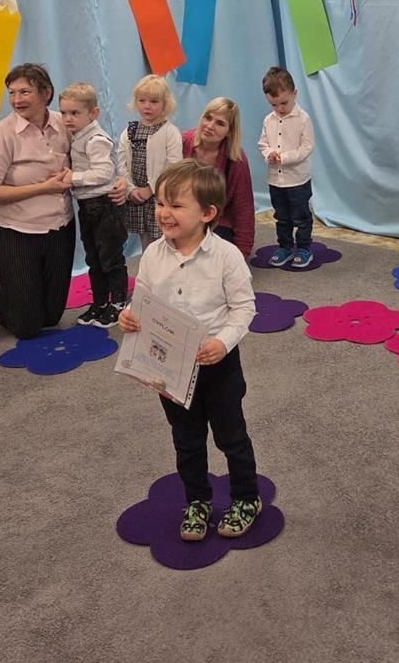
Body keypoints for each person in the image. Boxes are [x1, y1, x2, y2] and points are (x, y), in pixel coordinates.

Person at [118, 160, 261, 541]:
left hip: (218, 366)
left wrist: (222, 342)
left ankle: (247, 497)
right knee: (186, 439)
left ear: (208, 213)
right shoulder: (152, 254)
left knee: (231, 436)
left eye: (177, 205)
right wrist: (129, 316)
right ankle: (198, 500)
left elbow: (244, 308)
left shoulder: (226, 256)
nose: (164, 212)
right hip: (171, 368)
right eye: (161, 203)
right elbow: (143, 300)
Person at [0, 63, 75, 339]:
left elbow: (90, 157)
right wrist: (43, 188)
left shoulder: (64, 124)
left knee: (51, 318)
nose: (17, 100)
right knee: (27, 327)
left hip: (60, 226)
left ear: (46, 93)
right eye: (12, 93)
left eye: (25, 92)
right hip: (16, 230)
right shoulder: (2, 134)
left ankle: (6, 290)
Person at [58, 83, 128, 328]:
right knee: (94, 258)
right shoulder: (77, 135)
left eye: (74, 113)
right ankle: (99, 302)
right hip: (87, 206)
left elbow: (103, 173)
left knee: (110, 257)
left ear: (93, 113)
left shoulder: (96, 139)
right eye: (64, 112)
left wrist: (73, 178)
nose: (67, 118)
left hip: (104, 206)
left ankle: (118, 303)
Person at [117, 74, 182, 260]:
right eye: (142, 100)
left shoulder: (170, 132)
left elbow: (173, 167)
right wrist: (130, 190)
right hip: (137, 198)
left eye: (154, 101)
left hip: (159, 197)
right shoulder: (129, 131)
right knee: (146, 241)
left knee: (165, 240)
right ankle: (150, 272)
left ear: (164, 103)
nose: (147, 106)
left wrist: (151, 188)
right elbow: (121, 162)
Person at [181, 98, 255, 261]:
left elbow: (243, 206)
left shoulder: (236, 159)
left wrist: (242, 252)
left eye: (220, 123)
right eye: (208, 118)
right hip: (184, 217)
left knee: (211, 260)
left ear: (230, 131)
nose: (210, 126)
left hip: (218, 222)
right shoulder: (182, 142)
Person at [257, 66, 315, 268]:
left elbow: (307, 147)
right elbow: (263, 143)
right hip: (276, 181)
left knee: (301, 217)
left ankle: (304, 248)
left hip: (298, 180)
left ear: (294, 93)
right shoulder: (268, 120)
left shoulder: (303, 119)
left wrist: (285, 157)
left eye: (284, 103)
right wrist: (269, 154)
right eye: (274, 104)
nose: (280, 108)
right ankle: (284, 246)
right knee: (281, 217)